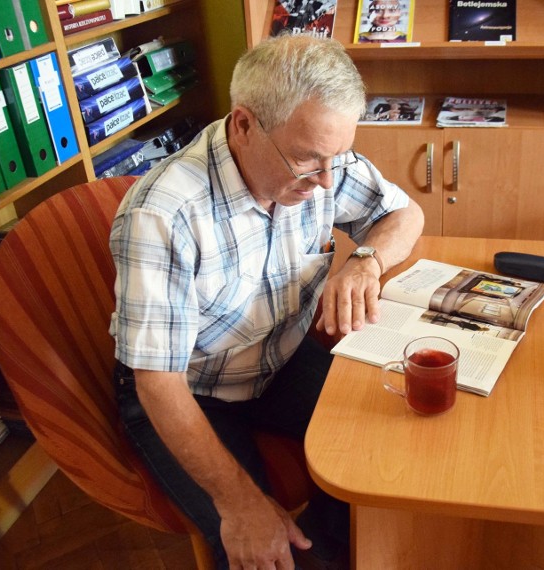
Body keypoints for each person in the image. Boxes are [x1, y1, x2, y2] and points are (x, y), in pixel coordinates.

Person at [109, 34, 424, 570]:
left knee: (394, 447)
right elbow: (157, 383)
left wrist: (365, 259)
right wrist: (240, 505)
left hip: (281, 357)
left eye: (337, 158)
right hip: (192, 389)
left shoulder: (322, 161)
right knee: (267, 556)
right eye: (307, 160)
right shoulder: (164, 215)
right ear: (244, 124)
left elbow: (405, 214)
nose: (326, 182)